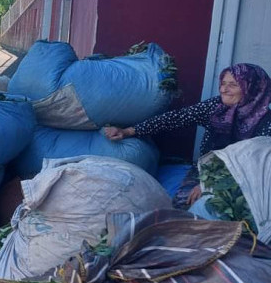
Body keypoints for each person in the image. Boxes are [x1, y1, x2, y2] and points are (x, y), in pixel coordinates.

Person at [105, 63, 271, 208]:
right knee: (181, 206)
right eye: (222, 83)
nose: (223, 89)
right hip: (205, 170)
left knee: (216, 211)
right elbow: (177, 118)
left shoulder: (265, 122)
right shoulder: (216, 107)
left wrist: (212, 185)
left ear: (252, 88)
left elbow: (255, 165)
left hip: (245, 182)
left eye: (232, 85)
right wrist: (129, 131)